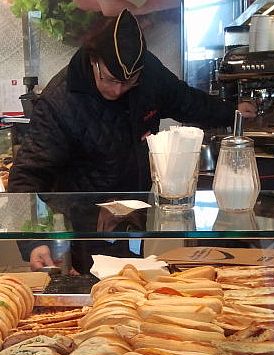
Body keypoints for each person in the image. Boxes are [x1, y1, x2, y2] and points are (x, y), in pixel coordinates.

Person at [9, 9, 256, 273]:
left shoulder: (148, 74)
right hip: (86, 225)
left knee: (142, 285)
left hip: (139, 214)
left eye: (129, 82)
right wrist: (35, 242)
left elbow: (186, 101)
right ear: (94, 61)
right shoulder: (59, 102)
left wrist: (232, 111)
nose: (118, 90)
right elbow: (26, 178)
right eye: (112, 80)